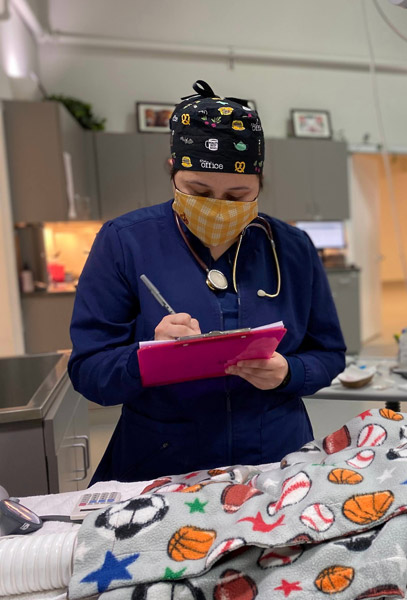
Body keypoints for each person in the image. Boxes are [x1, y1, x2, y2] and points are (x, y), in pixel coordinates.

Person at [69, 81, 346, 484]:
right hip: (166, 459)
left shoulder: (293, 248)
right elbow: (89, 370)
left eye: (237, 196)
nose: (219, 208)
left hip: (275, 458)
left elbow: (330, 354)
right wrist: (145, 359)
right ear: (172, 173)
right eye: (199, 191)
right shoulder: (125, 241)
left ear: (260, 183)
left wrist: (290, 372)